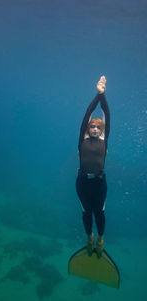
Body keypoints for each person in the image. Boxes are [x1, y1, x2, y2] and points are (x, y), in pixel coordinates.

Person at [76, 76, 110, 258]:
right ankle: (89, 237)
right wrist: (97, 95)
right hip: (82, 183)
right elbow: (87, 115)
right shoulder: (82, 140)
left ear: (102, 130)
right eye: (92, 126)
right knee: (86, 213)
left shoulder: (104, 141)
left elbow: (106, 114)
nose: (95, 128)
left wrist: (102, 95)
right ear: (88, 128)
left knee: (100, 213)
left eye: (99, 126)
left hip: (99, 184)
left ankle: (100, 239)